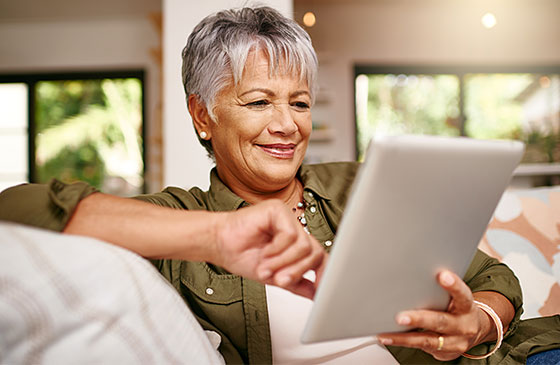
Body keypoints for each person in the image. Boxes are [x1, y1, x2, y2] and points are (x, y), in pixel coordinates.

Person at [0, 6, 558, 365]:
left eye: (299, 102)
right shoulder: (181, 220)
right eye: (259, 101)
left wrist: (477, 321)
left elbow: (492, 278)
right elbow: (17, 212)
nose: (287, 124)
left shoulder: (360, 183)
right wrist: (217, 235)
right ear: (202, 115)